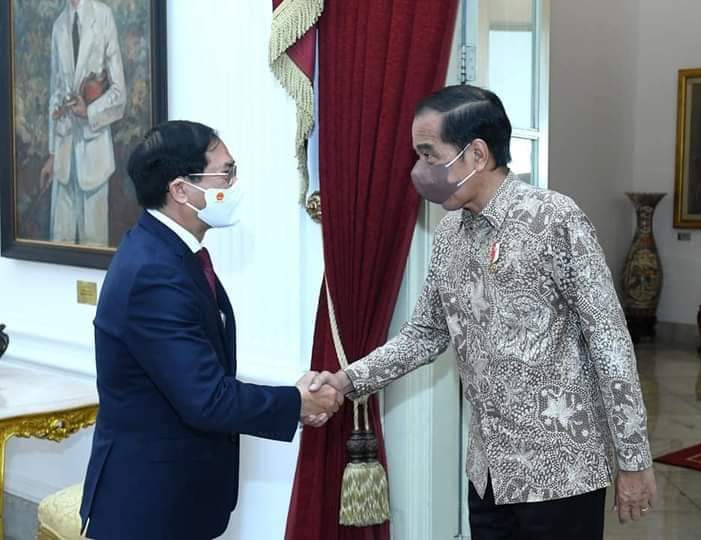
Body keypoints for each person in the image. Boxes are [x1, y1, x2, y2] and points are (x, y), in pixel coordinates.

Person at [309, 85, 656, 539]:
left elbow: (609, 341)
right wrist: (347, 380)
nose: (420, 170)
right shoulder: (450, 233)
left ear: (476, 154)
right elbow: (425, 333)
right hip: (489, 472)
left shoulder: (554, 219)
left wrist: (633, 459)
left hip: (561, 473)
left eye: (430, 154)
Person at [79, 120, 342, 539]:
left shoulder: (170, 252)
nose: (235, 185)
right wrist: (297, 402)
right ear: (181, 190)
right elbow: (206, 398)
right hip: (148, 507)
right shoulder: (153, 272)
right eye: (226, 173)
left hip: (177, 497)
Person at [40, 0, 127, 246]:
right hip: (63, 162)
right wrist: (52, 154)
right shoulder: (59, 26)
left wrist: (88, 112)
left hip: (94, 158)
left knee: (94, 246)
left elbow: (119, 93)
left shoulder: (103, 16)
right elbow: (55, 91)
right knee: (59, 246)